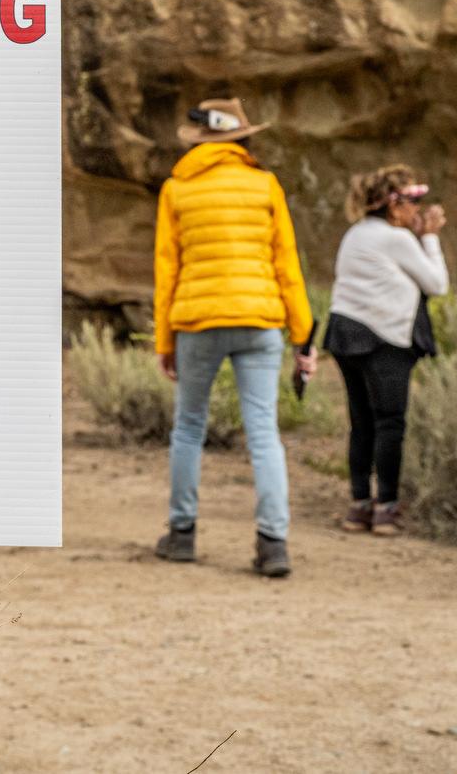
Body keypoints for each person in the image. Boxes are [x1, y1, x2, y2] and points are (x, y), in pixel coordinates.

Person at [152, 97, 315, 578]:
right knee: (263, 432)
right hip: (259, 319)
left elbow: (168, 269)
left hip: (197, 322)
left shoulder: (176, 189)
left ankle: (181, 535)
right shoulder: (265, 185)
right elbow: (287, 265)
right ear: (241, 139)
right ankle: (273, 544)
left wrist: (165, 341)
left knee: (189, 426)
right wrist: (304, 337)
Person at [324, 165, 449, 537]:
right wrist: (430, 238)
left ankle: (359, 505)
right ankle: (386, 508)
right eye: (413, 201)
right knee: (390, 422)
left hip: (346, 334)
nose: (418, 209)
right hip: (384, 338)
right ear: (394, 207)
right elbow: (437, 283)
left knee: (361, 422)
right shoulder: (397, 240)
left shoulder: (355, 234)